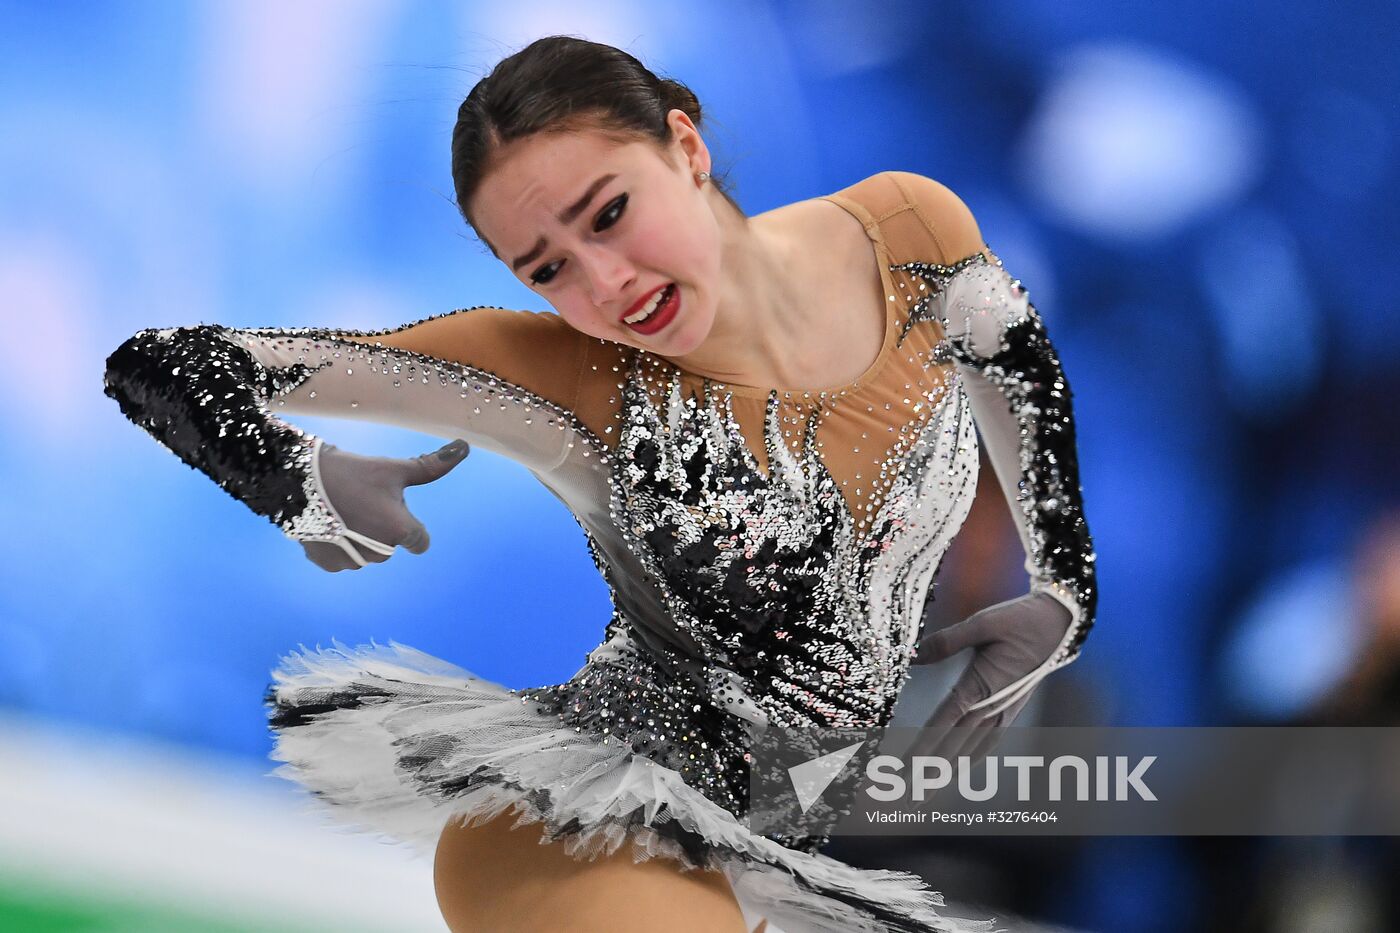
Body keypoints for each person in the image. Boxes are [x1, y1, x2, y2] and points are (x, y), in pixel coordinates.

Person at [102, 35, 1097, 933]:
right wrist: (295, 479)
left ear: (685, 147)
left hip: (792, 847)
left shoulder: (903, 230)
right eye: (547, 269)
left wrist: (1059, 585)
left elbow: (1012, 359)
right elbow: (168, 364)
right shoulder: (560, 375)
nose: (604, 285)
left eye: (609, 215)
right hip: (584, 828)